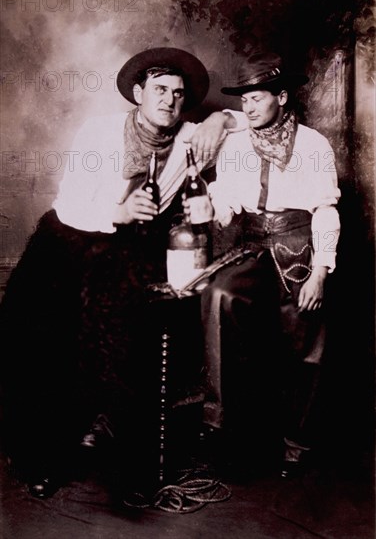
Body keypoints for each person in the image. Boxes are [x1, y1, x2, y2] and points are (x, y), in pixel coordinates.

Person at [0, 47, 233, 501]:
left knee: (116, 328)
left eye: (178, 94)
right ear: (139, 93)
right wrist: (119, 210)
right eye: (160, 90)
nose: (168, 100)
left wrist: (219, 121)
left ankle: (115, 442)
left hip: (129, 249)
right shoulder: (100, 132)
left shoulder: (190, 137)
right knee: (40, 322)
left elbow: (248, 120)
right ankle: (38, 453)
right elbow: (70, 201)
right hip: (70, 235)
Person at [200, 52, 341, 478]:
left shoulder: (313, 143)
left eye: (257, 98)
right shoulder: (236, 144)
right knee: (218, 296)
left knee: (307, 337)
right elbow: (227, 202)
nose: (249, 107)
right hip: (252, 243)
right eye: (244, 100)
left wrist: (320, 271)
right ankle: (221, 430)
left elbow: (325, 211)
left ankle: (296, 445)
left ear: (281, 97)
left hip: (300, 245)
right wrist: (209, 206)